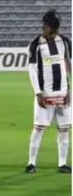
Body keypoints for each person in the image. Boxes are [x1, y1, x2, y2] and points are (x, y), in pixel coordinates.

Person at [25, 9, 72, 174]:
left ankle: (62, 163)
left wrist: (69, 90)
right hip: (45, 95)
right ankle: (31, 163)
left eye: (56, 31)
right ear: (44, 27)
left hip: (63, 94)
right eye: (51, 31)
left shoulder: (65, 42)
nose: (54, 34)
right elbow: (32, 70)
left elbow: (69, 64)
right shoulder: (35, 44)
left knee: (64, 129)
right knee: (38, 128)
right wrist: (38, 93)